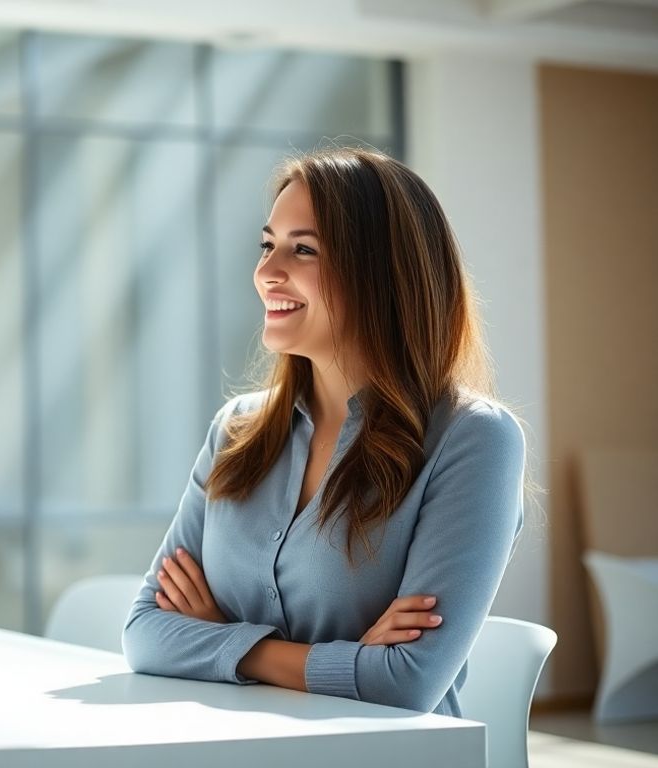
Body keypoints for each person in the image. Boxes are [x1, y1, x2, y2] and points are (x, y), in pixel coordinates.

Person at [121, 147, 525, 716]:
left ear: (383, 273)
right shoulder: (236, 429)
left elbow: (406, 683)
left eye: (302, 249)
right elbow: (145, 633)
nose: (266, 272)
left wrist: (226, 640)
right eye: (268, 245)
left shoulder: (474, 440)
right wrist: (324, 659)